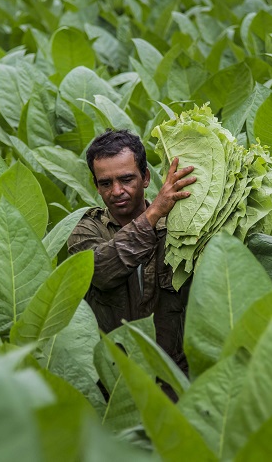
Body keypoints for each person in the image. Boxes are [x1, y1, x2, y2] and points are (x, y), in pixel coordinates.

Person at [67, 129, 196, 376]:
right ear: (96, 186)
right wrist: (153, 213)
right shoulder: (85, 230)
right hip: (112, 376)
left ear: (145, 177)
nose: (116, 191)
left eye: (126, 179)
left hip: (173, 373)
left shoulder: (179, 229)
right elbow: (101, 271)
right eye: (106, 183)